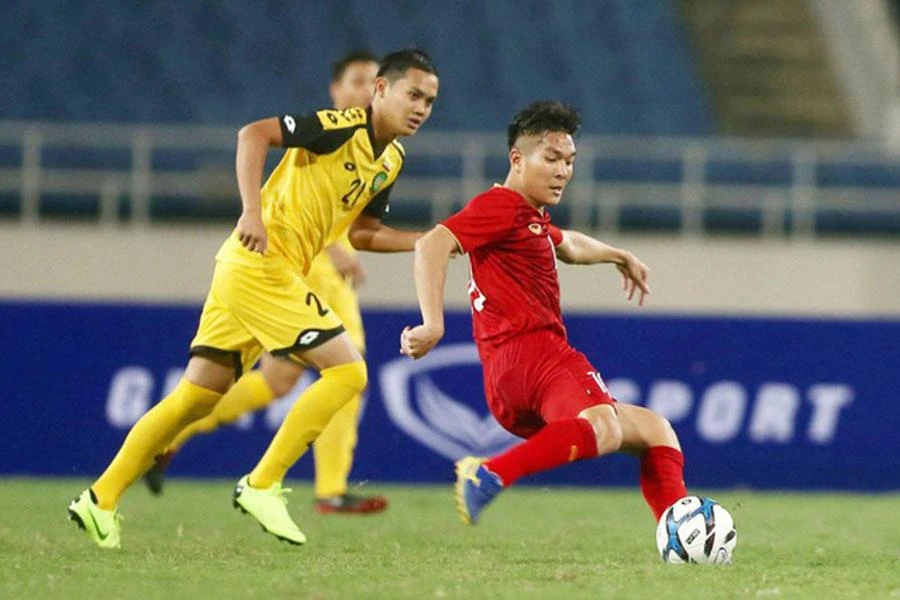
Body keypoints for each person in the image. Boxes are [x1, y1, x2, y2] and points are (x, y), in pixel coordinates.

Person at [69, 48, 439, 549]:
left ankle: (100, 499)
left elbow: (363, 233)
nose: (420, 108)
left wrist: (427, 240)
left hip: (249, 270)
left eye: (429, 101)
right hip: (263, 265)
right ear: (380, 89)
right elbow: (253, 134)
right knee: (349, 371)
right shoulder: (339, 126)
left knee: (196, 397)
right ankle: (263, 484)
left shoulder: (391, 160)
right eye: (412, 95)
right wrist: (251, 211)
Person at [400, 101, 687, 526]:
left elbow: (568, 244)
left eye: (569, 161)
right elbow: (431, 244)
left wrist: (618, 255)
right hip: (534, 353)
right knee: (605, 427)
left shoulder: (526, 218)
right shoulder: (500, 206)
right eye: (551, 158)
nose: (563, 171)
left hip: (507, 377)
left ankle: (678, 532)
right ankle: (489, 474)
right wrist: (432, 323)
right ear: (517, 159)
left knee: (654, 430)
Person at [143, 50, 388, 516]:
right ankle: (330, 490)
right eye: (357, 80)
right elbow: (297, 204)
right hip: (305, 264)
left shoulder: (378, 149)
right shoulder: (331, 130)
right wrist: (333, 249)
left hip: (307, 263)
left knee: (276, 380)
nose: (366, 88)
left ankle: (171, 437)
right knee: (348, 370)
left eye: (374, 81)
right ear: (335, 89)